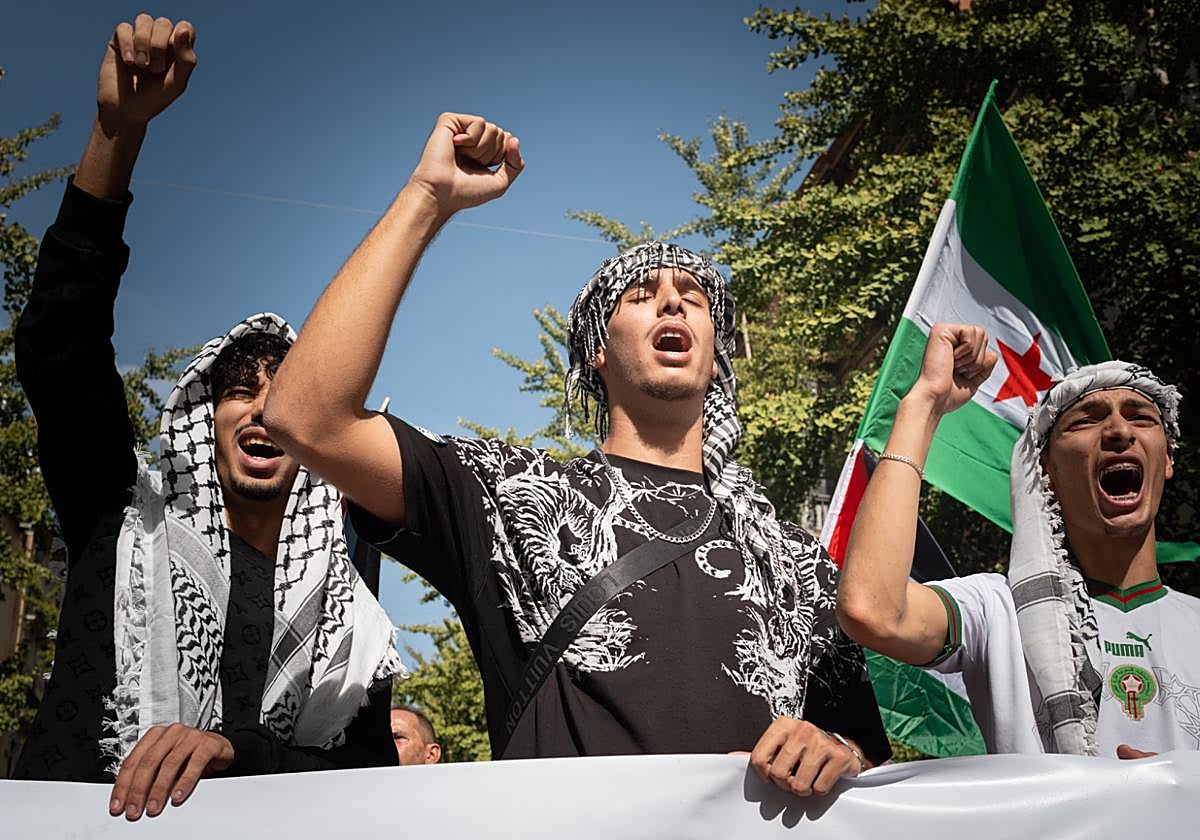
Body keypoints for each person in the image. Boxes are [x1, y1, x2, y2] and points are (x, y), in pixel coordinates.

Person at [263, 112, 891, 797]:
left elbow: (873, 763)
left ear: (717, 361)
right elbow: (307, 417)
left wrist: (839, 752)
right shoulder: (512, 497)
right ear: (598, 351)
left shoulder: (795, 563)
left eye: (693, 301)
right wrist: (428, 200)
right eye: (642, 296)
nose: (673, 306)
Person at [13, 14, 401, 819]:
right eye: (239, 390)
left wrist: (239, 752)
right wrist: (114, 136)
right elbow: (61, 341)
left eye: (285, 393)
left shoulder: (343, 596)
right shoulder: (121, 524)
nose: (262, 410)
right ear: (204, 415)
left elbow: (365, 778)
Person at [838, 323, 1196, 757]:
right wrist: (925, 403)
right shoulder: (997, 611)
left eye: (1140, 417)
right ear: (1044, 468)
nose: (1120, 431)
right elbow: (873, 611)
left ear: (1168, 458)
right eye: (1087, 420)